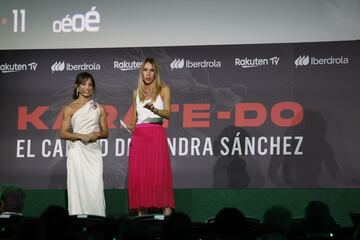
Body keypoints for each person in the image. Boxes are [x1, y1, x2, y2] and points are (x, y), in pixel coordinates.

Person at [127, 57, 175, 216]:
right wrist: (130, 126)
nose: (148, 73)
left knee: (160, 176)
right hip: (139, 137)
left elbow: (168, 114)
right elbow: (134, 119)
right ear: (141, 72)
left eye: (151, 70)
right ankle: (141, 220)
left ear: (156, 72)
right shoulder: (136, 92)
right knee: (141, 177)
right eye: (145, 70)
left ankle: (168, 220)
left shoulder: (164, 89)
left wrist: (156, 110)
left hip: (156, 135)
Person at [60, 72, 108, 217]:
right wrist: (81, 136)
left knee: (95, 188)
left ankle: (98, 219)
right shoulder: (69, 109)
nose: (87, 87)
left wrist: (97, 134)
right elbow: (63, 133)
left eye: (90, 85)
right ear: (77, 87)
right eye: (84, 84)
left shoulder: (99, 108)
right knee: (78, 187)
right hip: (78, 152)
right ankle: (77, 220)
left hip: (93, 153)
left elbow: (105, 132)